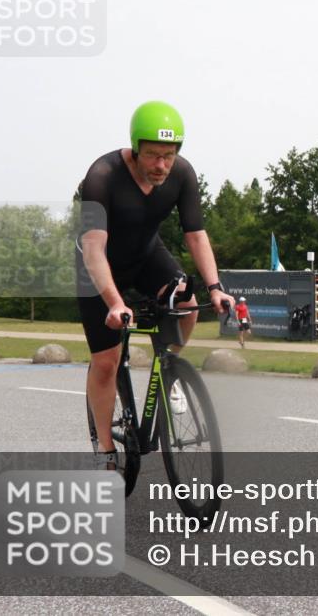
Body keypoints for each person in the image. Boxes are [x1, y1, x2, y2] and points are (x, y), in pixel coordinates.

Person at [76, 101, 235, 469]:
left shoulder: (182, 174)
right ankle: (104, 449)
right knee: (106, 361)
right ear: (135, 149)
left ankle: (170, 373)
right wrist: (115, 302)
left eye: (168, 155)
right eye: (152, 155)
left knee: (188, 302)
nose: (161, 165)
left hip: (146, 256)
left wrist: (216, 286)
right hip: (97, 266)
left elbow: (196, 235)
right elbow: (94, 247)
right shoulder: (102, 175)